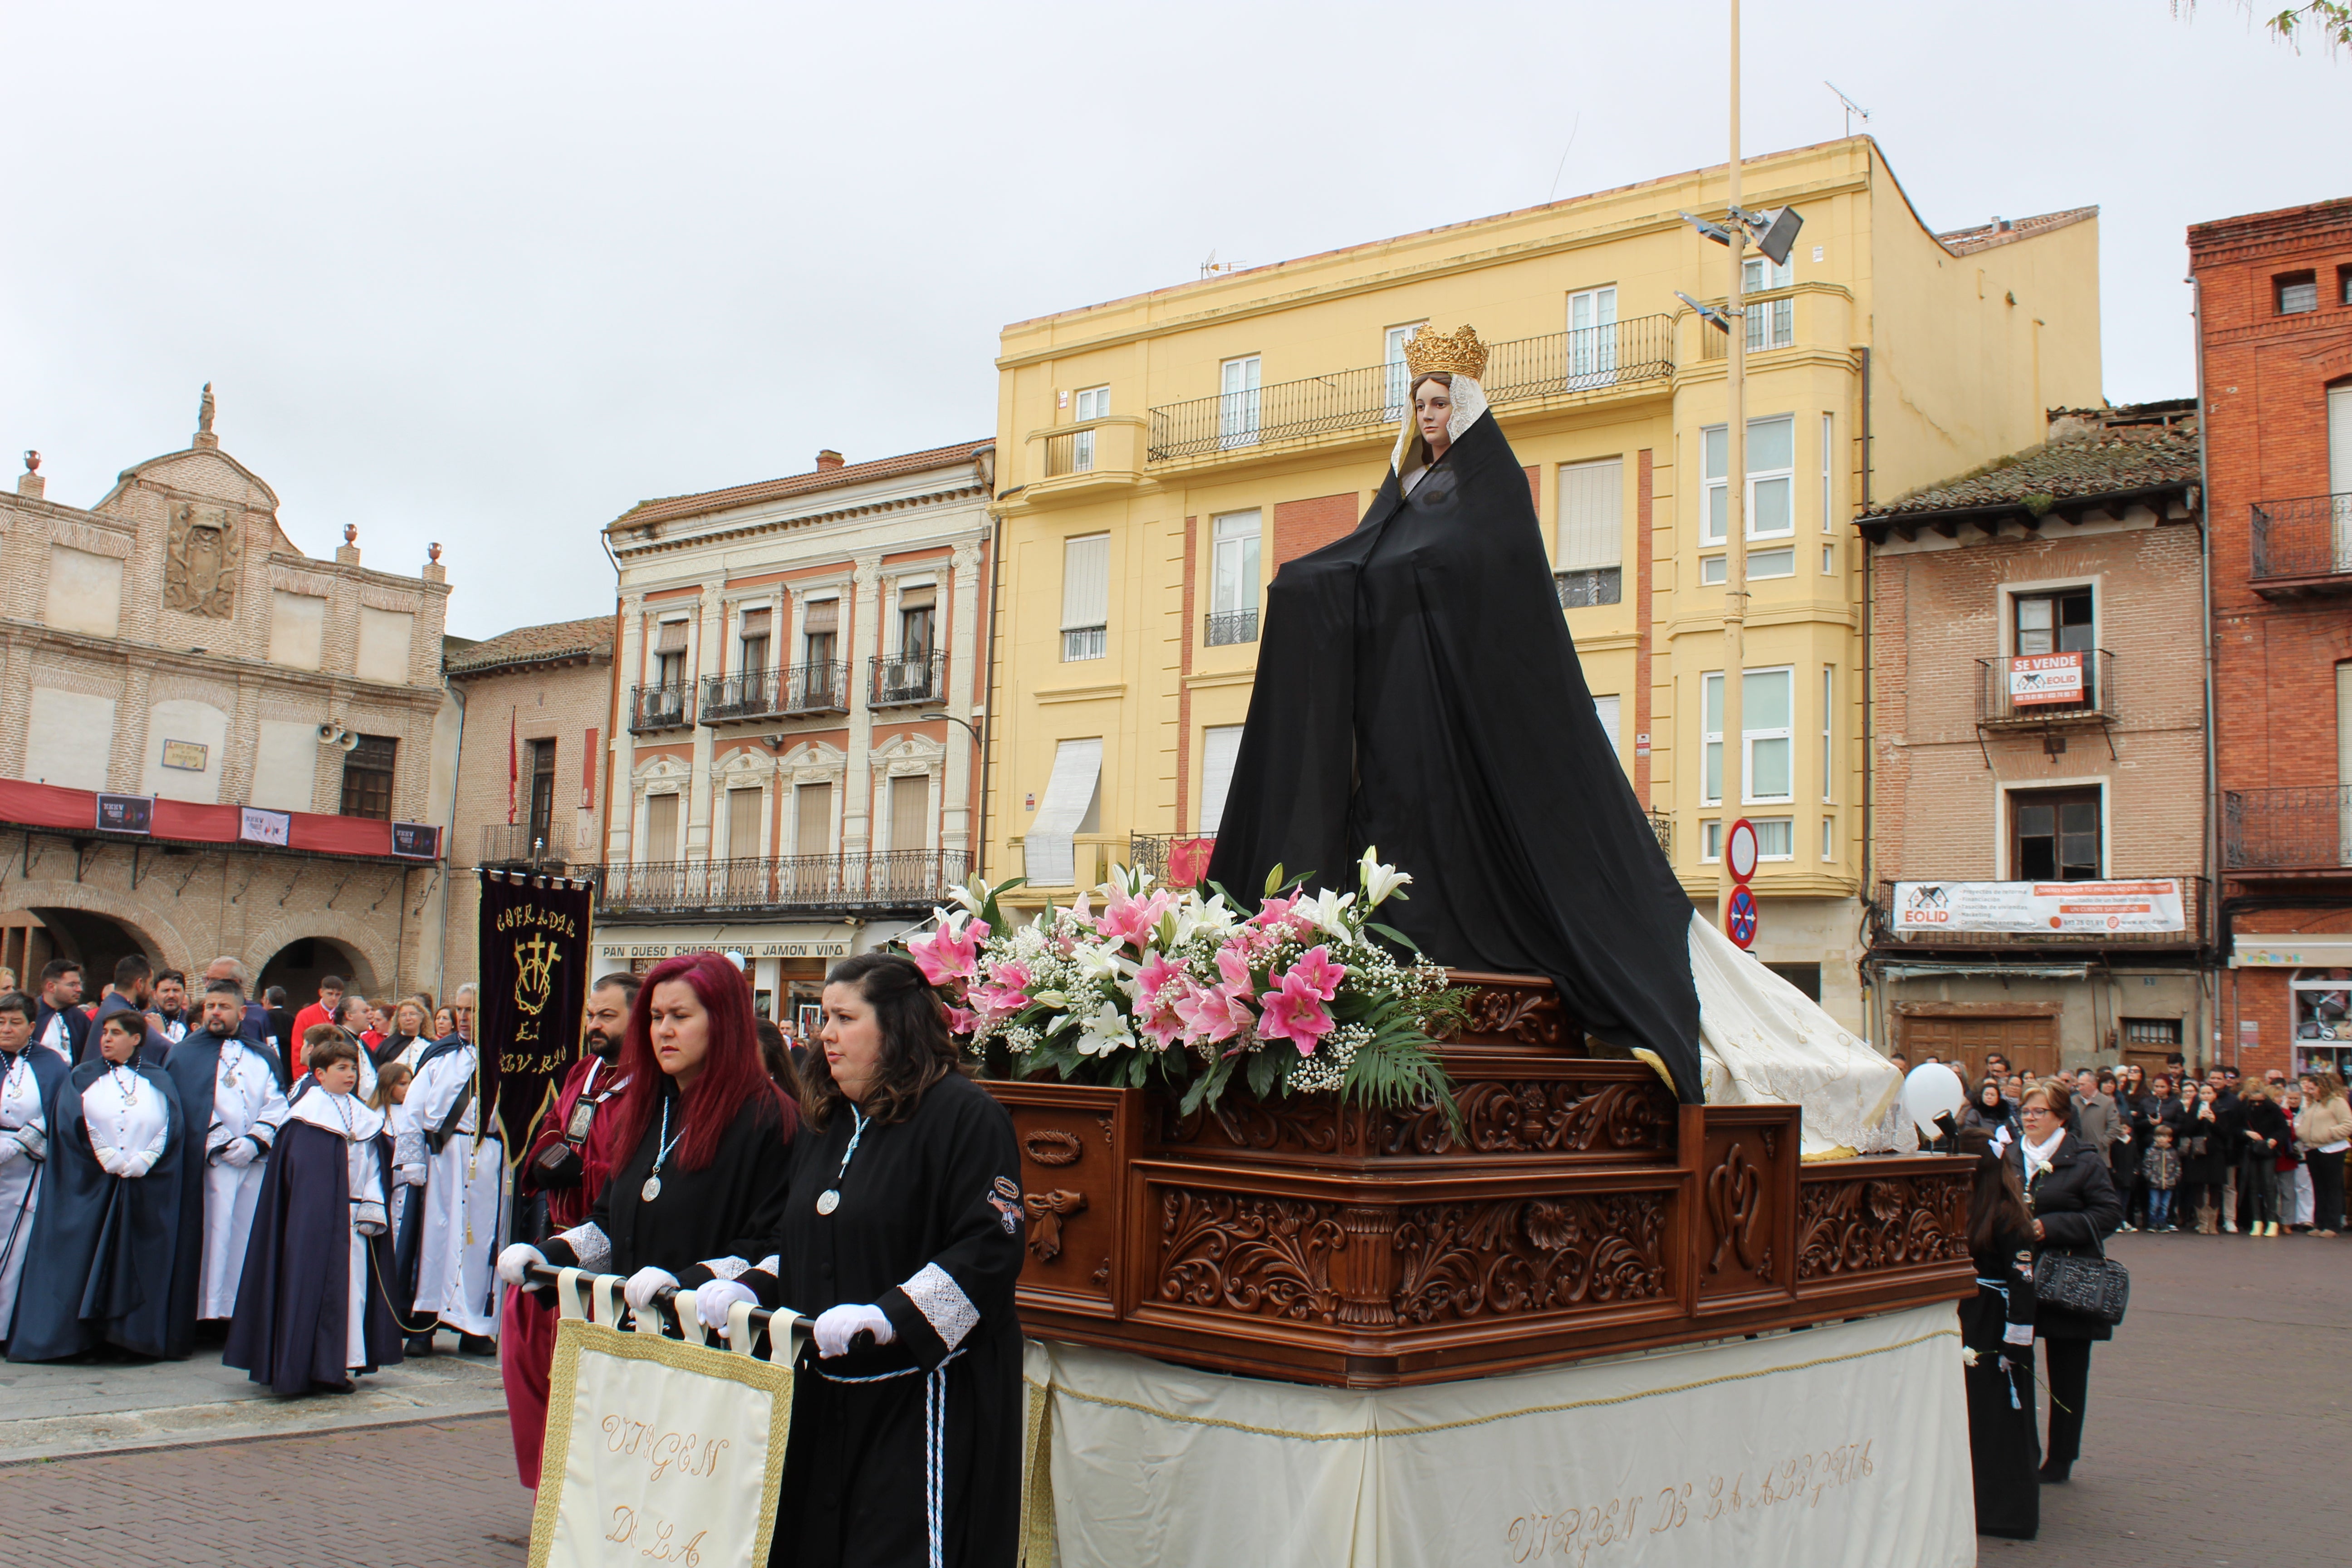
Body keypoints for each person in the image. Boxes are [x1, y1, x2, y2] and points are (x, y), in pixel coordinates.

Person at [1203, 329, 1704, 1103]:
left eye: (1440, 403)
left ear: (1463, 406)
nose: (1428, 415)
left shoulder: (1487, 487)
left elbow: (1475, 569)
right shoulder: (1406, 491)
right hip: (1396, 697)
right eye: (1419, 404)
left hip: (1458, 700)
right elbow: (1364, 555)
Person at [694, 951, 1021, 1568]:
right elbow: (801, 1241)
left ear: (896, 1026)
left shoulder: (965, 1116)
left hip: (923, 1400)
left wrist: (892, 1315)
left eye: (844, 1017)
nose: (825, 1033)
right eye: (825, 1018)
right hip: (827, 1393)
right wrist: (756, 1288)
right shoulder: (826, 1121)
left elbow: (990, 1247)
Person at [495, 971, 642, 1487]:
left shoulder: (650, 1083)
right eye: (590, 1015)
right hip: (554, 1243)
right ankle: (546, 1488)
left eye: (607, 1016)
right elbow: (555, 1123)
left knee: (585, 1391)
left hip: (603, 1257)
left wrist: (594, 1173)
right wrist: (548, 1157)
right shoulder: (585, 1070)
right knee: (527, 1370)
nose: (594, 1026)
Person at [224, 1028, 403, 1393]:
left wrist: (372, 1201)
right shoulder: (304, 1120)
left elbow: (373, 1163)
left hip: (355, 1223)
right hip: (314, 1227)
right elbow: (302, 1180)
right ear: (320, 1074)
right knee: (307, 1290)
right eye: (341, 1068)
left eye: (353, 1067)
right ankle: (303, 1366)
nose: (350, 1074)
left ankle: (339, 1365)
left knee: (354, 1293)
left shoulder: (364, 1117)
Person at [6, 1010, 189, 1361]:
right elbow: (72, 1119)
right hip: (89, 1184)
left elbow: (172, 1123)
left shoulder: (158, 1079)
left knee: (135, 1261)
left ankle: (128, 1339)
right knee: (80, 1259)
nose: (106, 1038)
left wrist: (145, 1160)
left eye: (116, 1033)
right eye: (104, 1032)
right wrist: (106, 1156)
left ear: (137, 1039)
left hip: (142, 1187)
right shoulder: (82, 1076)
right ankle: (75, 1340)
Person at [160, 978, 291, 1352]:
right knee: (207, 1236)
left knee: (244, 1238)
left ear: (242, 1012)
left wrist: (253, 1142)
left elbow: (277, 1101)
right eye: (210, 1007)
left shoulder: (262, 1055)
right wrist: (220, 1142)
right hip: (207, 1167)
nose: (216, 1013)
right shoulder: (185, 1054)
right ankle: (200, 1314)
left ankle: (235, 1314)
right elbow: (183, 1103)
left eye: (224, 1007)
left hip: (252, 1165)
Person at [2008, 1084, 2120, 1485]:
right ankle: (2016, 1449)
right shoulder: (2009, 1155)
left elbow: (2108, 1214)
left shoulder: (2084, 1161)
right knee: (2011, 1364)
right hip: (2016, 1280)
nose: (2030, 1118)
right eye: (2026, 1110)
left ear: (2061, 1118)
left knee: (2068, 1374)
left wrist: (2049, 1226)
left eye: (2040, 1112)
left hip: (2066, 1281)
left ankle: (2061, 1458)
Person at [1956, 1125, 2038, 1540]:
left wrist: (2016, 1342)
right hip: (1971, 1317)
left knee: (2001, 1414)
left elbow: (2023, 1283)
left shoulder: (2008, 1217)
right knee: (1974, 1412)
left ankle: (2007, 1508)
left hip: (1996, 1321)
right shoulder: (1968, 1208)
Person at [411, 984, 502, 1354]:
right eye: (461, 1010)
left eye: (473, 1011)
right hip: (443, 1154)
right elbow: (413, 1110)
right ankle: (423, 1322)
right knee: (434, 1234)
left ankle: (475, 1326)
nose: (465, 1018)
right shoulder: (440, 1056)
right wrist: (413, 1161)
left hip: (487, 1154)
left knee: (479, 1239)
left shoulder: (507, 1059)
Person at [0, 991, 70, 1348]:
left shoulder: (52, 1063)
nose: (7, 1029)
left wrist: (21, 1142)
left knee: (16, 1252)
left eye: (15, 1023)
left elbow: (58, 1110)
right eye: (1, 1022)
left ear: (31, 1026)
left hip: (27, 1170)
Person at [375, 1061, 429, 1351]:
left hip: (408, 1196)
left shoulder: (411, 1115)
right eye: (402, 1084)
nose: (407, 1090)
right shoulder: (375, 1117)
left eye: (411, 1084)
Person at [87, 954, 172, 1068]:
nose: (150, 990)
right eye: (150, 983)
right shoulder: (125, 1015)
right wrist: (161, 1033)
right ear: (140, 984)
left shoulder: (111, 1004)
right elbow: (168, 1051)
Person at [2234, 1081, 2291, 1237]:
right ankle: (2257, 1221)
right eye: (2254, 1101)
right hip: (2251, 1149)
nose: (2258, 1104)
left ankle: (2272, 1221)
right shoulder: (2243, 1108)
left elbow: (2283, 1129)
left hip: (2268, 1150)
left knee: (2269, 1184)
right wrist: (2247, 1133)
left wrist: (2275, 1139)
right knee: (2253, 1186)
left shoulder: (2273, 1108)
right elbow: (2235, 1128)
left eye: (2260, 1100)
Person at [2297, 1071, 2350, 1236]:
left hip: (2332, 1149)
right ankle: (2320, 1223)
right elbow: (2305, 1123)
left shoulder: (2337, 1102)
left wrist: (2330, 1133)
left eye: (2313, 1088)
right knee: (2318, 1188)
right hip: (2313, 1148)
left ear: (2322, 1087)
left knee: (2332, 1187)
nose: (2310, 1092)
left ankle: (2333, 1225)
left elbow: (2348, 1124)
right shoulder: (2314, 1105)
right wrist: (2302, 1133)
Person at [2180, 1082, 2229, 1233]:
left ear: (2215, 1095)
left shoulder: (2222, 1111)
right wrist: (2198, 1119)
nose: (2206, 1096)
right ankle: (2202, 1222)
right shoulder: (2193, 1111)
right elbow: (2186, 1131)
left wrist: (2214, 1122)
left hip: (2216, 1153)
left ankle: (2212, 1223)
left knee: (2215, 1186)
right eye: (2203, 1093)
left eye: (2209, 1093)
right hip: (2198, 1152)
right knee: (2198, 1186)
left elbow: (2226, 1134)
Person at [31, 960, 89, 1064]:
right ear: (51, 987)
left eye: (80, 984)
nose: (79, 989)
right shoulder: (30, 1015)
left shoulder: (80, 1018)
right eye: (72, 985)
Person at [2141, 1124, 2182, 1233]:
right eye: (2159, 1137)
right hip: (2154, 1183)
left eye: (2164, 1137)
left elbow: (2178, 1167)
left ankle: (2163, 1222)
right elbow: (2146, 1166)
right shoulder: (2150, 1151)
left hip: (2169, 1183)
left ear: (2170, 1139)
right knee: (2154, 1204)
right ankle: (2153, 1223)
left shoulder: (2173, 1152)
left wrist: (2175, 1178)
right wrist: (2150, 1177)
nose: (2162, 1139)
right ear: (2155, 1138)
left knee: (2165, 1205)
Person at [373, 999, 428, 1071]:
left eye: (412, 1014)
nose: (408, 1018)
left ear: (422, 1017)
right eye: (403, 1015)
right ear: (398, 1020)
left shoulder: (429, 1045)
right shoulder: (388, 1045)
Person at [292, 975, 345, 1042]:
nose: (334, 998)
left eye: (338, 995)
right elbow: (297, 1045)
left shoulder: (345, 1014)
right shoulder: (305, 1015)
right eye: (330, 994)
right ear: (321, 993)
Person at [1962, 1078, 2017, 1142]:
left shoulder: (2005, 1113)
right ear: (1982, 1096)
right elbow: (1970, 1133)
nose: (1989, 1097)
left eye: (1993, 1095)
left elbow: (2013, 1134)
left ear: (1998, 1097)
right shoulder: (1975, 1113)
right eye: (1987, 1095)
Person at [150, 970, 191, 1045]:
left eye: (176, 990)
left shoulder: (192, 1021)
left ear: (184, 993)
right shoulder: (145, 1021)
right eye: (166, 991)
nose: (171, 995)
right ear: (154, 994)